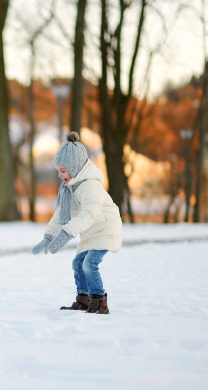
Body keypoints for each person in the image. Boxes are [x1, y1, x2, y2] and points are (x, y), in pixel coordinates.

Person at [31, 131, 122, 314]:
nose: (60, 175)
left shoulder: (90, 186)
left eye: (63, 171)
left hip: (106, 230)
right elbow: (61, 214)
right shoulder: (70, 188)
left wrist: (66, 233)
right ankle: (84, 299)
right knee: (77, 264)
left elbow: (89, 214)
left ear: (75, 167)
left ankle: (99, 301)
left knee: (89, 264)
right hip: (90, 232)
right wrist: (48, 236)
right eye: (58, 171)